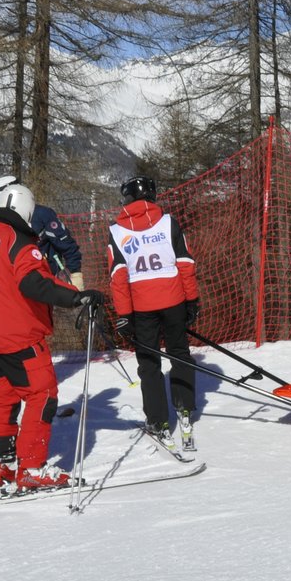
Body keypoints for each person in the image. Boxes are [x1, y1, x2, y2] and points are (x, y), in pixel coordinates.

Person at [0, 180, 104, 492]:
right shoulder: (21, 243)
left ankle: (1, 465)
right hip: (18, 336)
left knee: (4, 398)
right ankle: (32, 468)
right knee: (42, 396)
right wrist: (77, 296)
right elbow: (36, 284)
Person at [105, 175, 200, 444]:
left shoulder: (116, 230)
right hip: (174, 301)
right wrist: (191, 299)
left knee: (149, 363)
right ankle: (184, 406)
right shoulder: (169, 222)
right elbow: (185, 263)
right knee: (179, 354)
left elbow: (118, 276)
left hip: (141, 307)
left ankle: (158, 419)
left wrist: (124, 315)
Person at [0, 175, 84, 285]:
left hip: (44, 280)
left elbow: (66, 244)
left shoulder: (41, 215)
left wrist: (75, 272)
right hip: (11, 280)